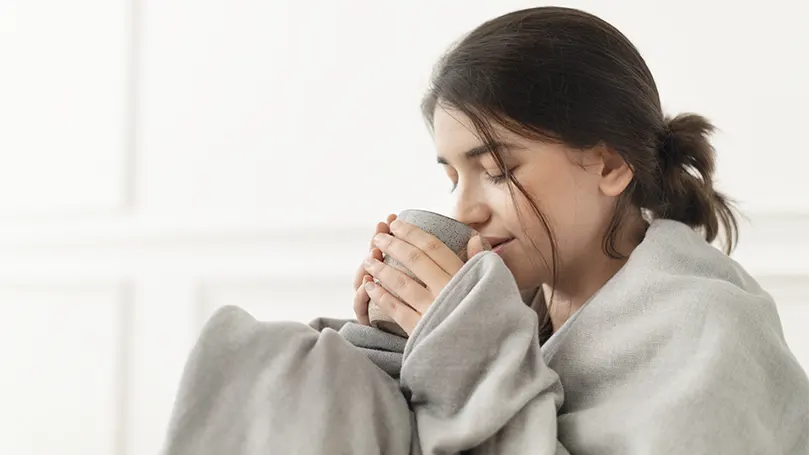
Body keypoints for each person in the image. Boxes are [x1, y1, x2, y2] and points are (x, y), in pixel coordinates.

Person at [162, 6, 809, 454]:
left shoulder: (706, 326)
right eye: (451, 176)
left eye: (496, 169)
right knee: (283, 361)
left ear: (609, 165)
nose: (465, 207)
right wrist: (390, 339)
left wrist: (465, 340)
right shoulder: (515, 304)